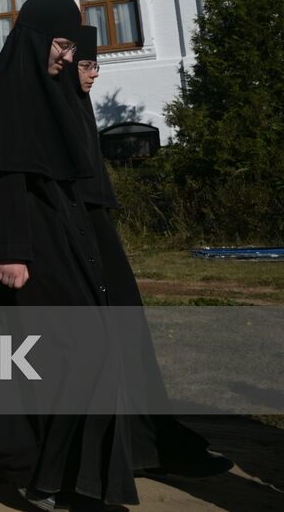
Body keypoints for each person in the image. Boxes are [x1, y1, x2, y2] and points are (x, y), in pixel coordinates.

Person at [0, 0, 136, 509]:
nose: (66, 55)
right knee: (80, 354)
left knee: (92, 353)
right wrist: (11, 253)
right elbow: (2, 179)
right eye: (61, 44)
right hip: (29, 251)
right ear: (38, 39)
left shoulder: (50, 92)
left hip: (64, 240)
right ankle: (45, 476)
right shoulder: (4, 95)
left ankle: (67, 480)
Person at [62, 28, 231, 481]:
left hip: (98, 234)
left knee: (129, 335)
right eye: (84, 65)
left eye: (96, 65)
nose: (93, 74)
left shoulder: (78, 109)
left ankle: (148, 441)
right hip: (77, 242)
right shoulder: (53, 114)